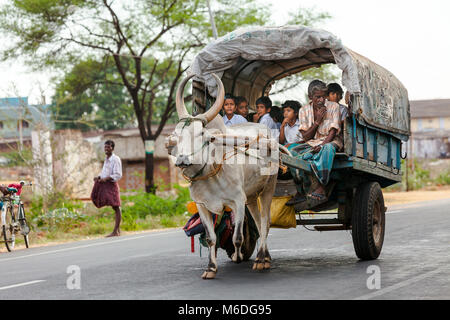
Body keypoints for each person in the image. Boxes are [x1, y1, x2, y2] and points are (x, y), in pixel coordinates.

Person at [285, 80, 342, 206]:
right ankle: (301, 191)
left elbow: (333, 131)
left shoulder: (333, 106)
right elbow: (306, 137)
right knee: (291, 152)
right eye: (318, 97)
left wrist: (322, 145)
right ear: (310, 97)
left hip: (330, 141)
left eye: (324, 96)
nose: (322, 100)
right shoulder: (304, 110)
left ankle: (322, 187)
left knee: (327, 149)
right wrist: (317, 121)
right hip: (311, 142)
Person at [91, 140, 123, 237]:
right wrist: (99, 177)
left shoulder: (115, 159)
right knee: (111, 205)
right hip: (105, 184)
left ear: (112, 148)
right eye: (105, 147)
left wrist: (106, 179)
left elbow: (118, 174)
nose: (106, 149)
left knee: (116, 206)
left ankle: (115, 231)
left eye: (108, 147)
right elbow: (105, 171)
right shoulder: (106, 159)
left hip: (111, 184)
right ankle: (118, 230)